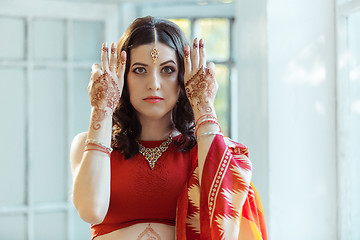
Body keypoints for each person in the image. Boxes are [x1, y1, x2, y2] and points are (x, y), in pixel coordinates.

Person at [70, 16, 267, 240]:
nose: (154, 83)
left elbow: (223, 222)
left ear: (184, 76)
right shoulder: (88, 144)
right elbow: (91, 210)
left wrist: (203, 104)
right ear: (121, 76)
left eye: (168, 70)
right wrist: (102, 109)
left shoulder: (205, 152)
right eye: (140, 70)